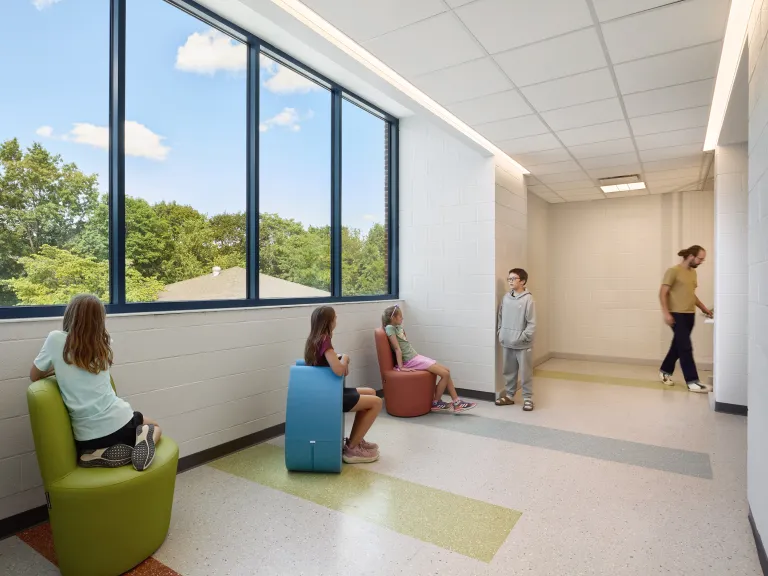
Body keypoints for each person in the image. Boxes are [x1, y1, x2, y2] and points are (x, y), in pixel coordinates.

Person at [29, 294, 161, 471]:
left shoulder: (55, 339)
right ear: (100, 320)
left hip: (85, 438)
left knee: (106, 438)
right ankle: (144, 438)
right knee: (154, 425)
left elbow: (34, 375)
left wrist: (57, 370)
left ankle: (94, 453)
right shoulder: (102, 345)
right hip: (119, 424)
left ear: (70, 315)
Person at [305, 306, 382, 464]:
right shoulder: (324, 340)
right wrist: (345, 358)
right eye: (335, 318)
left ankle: (356, 439)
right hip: (330, 396)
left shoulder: (315, 339)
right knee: (377, 402)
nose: (336, 321)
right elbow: (339, 370)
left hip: (328, 391)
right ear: (328, 322)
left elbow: (328, 361)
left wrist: (339, 358)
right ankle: (352, 450)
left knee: (371, 392)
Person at [382, 305, 476, 414]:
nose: (402, 318)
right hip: (410, 360)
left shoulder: (398, 327)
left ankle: (457, 402)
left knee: (447, 371)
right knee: (444, 374)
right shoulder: (390, 328)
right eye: (400, 316)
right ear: (393, 317)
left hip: (415, 357)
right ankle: (436, 402)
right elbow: (397, 349)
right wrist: (401, 367)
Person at [659, 245, 713, 393]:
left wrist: (704, 308)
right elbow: (663, 293)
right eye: (700, 258)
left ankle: (665, 371)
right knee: (685, 347)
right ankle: (692, 381)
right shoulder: (673, 271)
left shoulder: (693, 273)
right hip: (676, 314)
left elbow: (691, 294)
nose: (701, 261)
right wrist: (666, 313)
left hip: (690, 314)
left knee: (678, 345)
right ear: (691, 256)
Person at [496, 268, 536, 411]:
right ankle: (510, 396)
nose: (510, 281)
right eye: (509, 279)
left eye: (514, 279)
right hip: (507, 342)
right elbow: (500, 317)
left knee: (525, 373)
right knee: (509, 371)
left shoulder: (528, 299)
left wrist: (522, 337)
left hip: (523, 344)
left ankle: (527, 398)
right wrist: (501, 333)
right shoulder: (506, 298)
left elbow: (531, 323)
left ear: (523, 281)